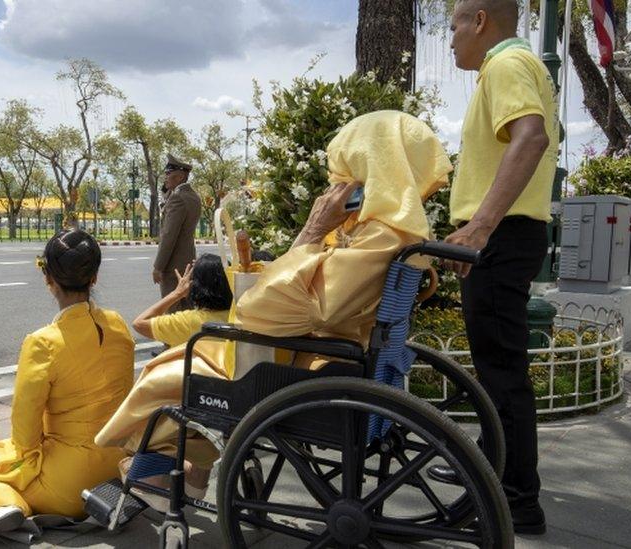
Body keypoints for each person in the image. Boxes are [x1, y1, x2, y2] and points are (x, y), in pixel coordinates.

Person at [97, 110, 452, 497]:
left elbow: (262, 308)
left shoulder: (378, 238)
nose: (335, 181)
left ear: (368, 164)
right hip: (339, 357)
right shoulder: (393, 232)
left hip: (313, 364)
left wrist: (313, 230)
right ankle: (192, 472)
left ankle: (158, 472)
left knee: (168, 373)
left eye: (343, 169)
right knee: (191, 358)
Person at [431, 0, 558, 536]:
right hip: (505, 235)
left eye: (455, 25)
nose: (452, 38)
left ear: (480, 20)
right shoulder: (510, 66)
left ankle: (515, 501)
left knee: (502, 371)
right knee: (495, 365)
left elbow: (531, 137)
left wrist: (480, 225)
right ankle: (492, 466)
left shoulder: (506, 63)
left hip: (502, 237)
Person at [0, 229, 135, 548]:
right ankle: (7, 505)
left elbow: (25, 426)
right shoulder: (117, 324)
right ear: (94, 277)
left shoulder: (44, 342)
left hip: (68, 484)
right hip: (115, 466)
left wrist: (24, 463)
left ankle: (7, 504)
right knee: (2, 454)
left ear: (49, 280)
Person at [132, 253, 232, 348]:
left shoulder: (187, 322)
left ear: (195, 286)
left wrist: (177, 293)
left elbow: (139, 324)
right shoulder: (240, 317)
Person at [152, 154, 201, 313]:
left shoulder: (177, 198)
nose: (165, 177)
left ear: (180, 176)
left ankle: (174, 340)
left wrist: (158, 267)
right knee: (186, 311)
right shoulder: (193, 197)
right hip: (188, 260)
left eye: (168, 174)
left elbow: (169, 235)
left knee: (172, 312)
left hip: (173, 265)